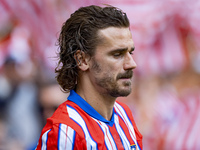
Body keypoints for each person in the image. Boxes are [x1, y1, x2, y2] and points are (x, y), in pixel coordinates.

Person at [36, 5, 143, 150]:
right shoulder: (65, 132)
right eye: (117, 54)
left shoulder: (124, 114)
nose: (131, 64)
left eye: (131, 53)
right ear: (83, 60)